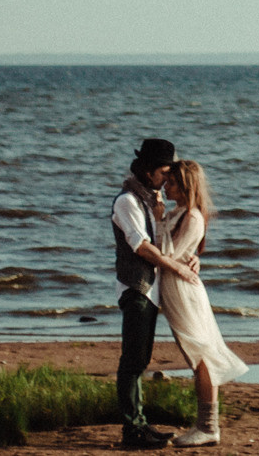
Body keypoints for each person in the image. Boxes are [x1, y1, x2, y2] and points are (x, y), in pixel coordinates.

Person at [156, 158, 249, 447]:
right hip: (175, 288)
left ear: (185, 186)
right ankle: (207, 425)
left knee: (200, 357)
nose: (165, 186)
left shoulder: (192, 217)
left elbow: (167, 253)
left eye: (171, 182)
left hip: (184, 292)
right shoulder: (180, 212)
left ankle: (208, 427)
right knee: (197, 356)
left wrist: (159, 218)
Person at [110, 138, 197, 450]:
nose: (167, 177)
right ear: (148, 171)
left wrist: (190, 257)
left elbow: (162, 242)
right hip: (136, 289)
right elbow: (142, 248)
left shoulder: (150, 199)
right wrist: (177, 268)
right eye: (164, 171)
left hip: (150, 291)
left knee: (140, 360)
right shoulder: (127, 202)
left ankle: (140, 425)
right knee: (132, 361)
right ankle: (131, 429)